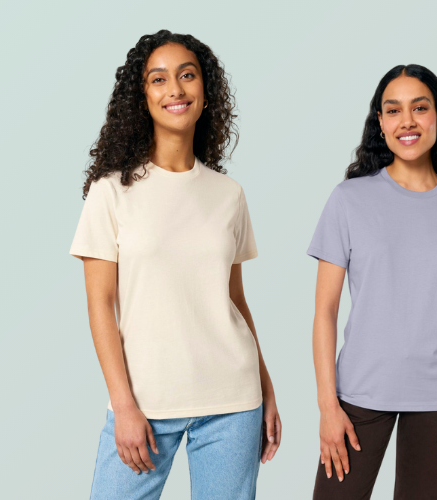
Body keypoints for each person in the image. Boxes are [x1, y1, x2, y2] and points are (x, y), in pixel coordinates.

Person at [70, 30, 280, 500]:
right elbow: (100, 305)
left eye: (187, 76)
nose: (176, 89)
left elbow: (234, 300)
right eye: (159, 79)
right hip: (144, 402)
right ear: (141, 96)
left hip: (233, 401)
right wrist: (123, 405)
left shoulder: (229, 194)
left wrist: (266, 388)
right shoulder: (111, 192)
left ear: (206, 92)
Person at [308, 64, 437, 500]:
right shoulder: (349, 199)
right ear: (381, 122)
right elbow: (324, 311)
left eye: (420, 108)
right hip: (359, 392)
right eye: (393, 110)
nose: (406, 121)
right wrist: (327, 405)